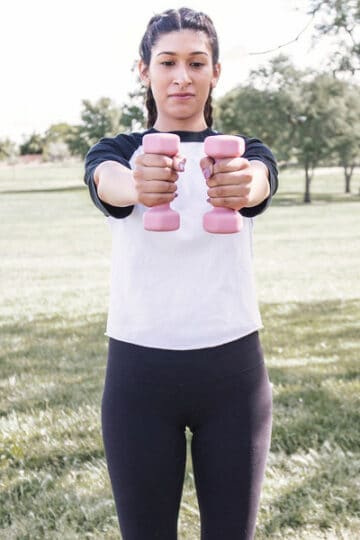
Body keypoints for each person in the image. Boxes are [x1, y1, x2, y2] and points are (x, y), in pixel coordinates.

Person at [84, 7, 278, 540]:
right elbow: (108, 183)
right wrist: (138, 184)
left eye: (197, 62)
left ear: (215, 72)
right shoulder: (120, 152)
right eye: (167, 62)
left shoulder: (243, 154)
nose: (182, 76)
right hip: (138, 379)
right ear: (143, 70)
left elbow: (259, 180)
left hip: (233, 376)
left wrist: (245, 183)